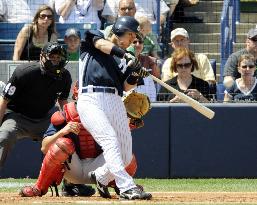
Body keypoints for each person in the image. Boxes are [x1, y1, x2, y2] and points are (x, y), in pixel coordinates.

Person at [19, 81, 141, 197]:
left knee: (128, 156)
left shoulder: (109, 112)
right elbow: (44, 147)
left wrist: (128, 123)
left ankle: (122, 186)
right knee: (62, 144)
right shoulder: (65, 114)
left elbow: (121, 140)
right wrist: (63, 131)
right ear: (77, 95)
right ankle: (39, 188)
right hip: (73, 170)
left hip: (102, 171)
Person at [77, 16, 152, 200]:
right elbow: (102, 45)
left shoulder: (129, 58)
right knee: (110, 140)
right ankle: (126, 187)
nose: (132, 41)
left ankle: (101, 176)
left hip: (116, 100)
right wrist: (125, 55)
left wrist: (135, 73)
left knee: (125, 154)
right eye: (130, 35)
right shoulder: (96, 37)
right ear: (120, 31)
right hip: (91, 97)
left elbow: (126, 86)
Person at [0, 42, 72, 172]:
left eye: (58, 58)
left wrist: (67, 125)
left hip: (43, 119)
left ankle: (69, 184)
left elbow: (63, 101)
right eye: (52, 57)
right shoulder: (24, 72)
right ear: (42, 57)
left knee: (65, 142)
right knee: (5, 135)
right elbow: (4, 100)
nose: (56, 61)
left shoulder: (65, 76)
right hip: (17, 116)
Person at [128, 36, 160, 102]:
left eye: (140, 42)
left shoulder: (149, 60)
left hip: (144, 98)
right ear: (129, 43)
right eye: (134, 42)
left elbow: (156, 79)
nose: (138, 44)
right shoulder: (123, 57)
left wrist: (153, 64)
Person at [102, 0, 170, 25]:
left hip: (147, 30)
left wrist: (155, 25)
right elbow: (111, 18)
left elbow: (162, 14)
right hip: (123, 29)